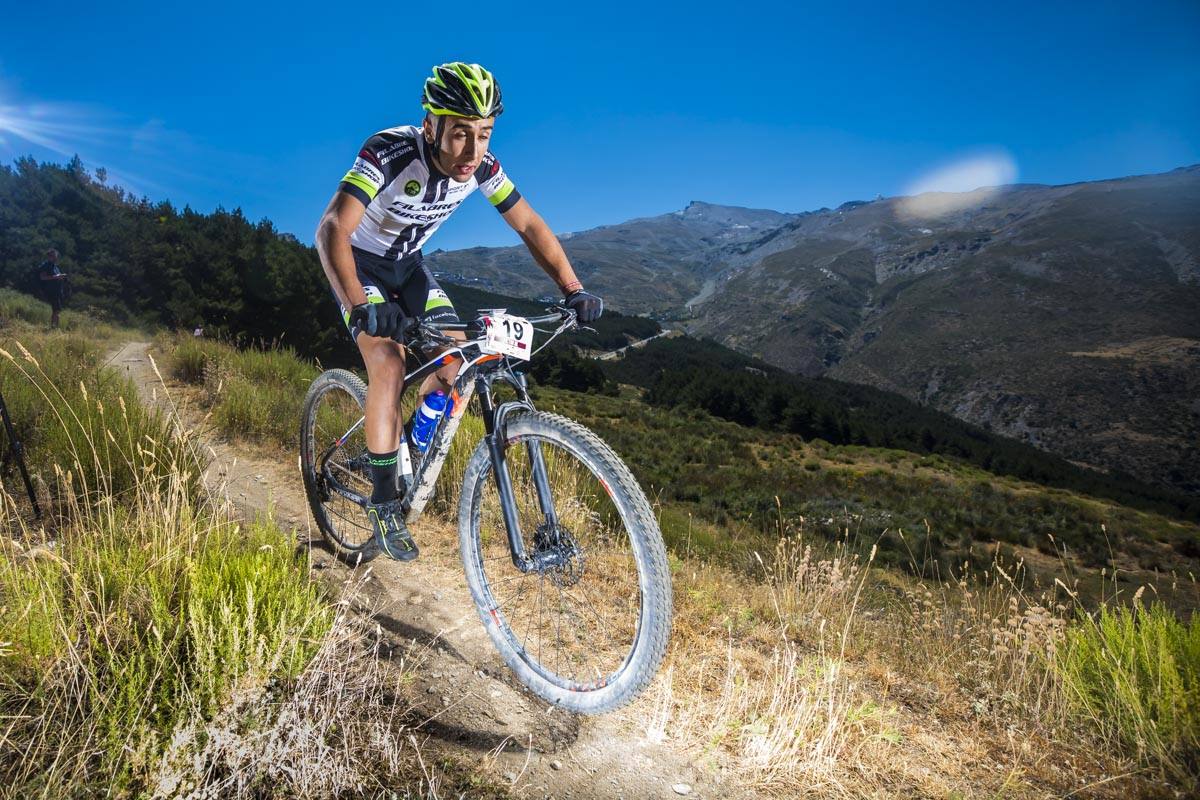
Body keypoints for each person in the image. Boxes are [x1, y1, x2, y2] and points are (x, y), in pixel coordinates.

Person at [315, 62, 603, 562]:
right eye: (460, 135)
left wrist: (572, 287)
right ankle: (384, 503)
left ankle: (403, 444)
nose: (472, 152)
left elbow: (530, 226)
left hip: (408, 267)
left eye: (485, 135)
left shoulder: (484, 167)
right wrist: (361, 306)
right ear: (431, 126)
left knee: (458, 362)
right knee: (389, 362)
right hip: (357, 265)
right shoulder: (389, 151)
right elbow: (331, 230)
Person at [38, 249, 68, 328]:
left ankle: (54, 327)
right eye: (53, 256)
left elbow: (56, 277)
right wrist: (57, 276)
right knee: (56, 310)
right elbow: (42, 277)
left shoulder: (55, 266)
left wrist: (61, 277)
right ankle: (54, 328)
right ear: (48, 257)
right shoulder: (45, 265)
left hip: (57, 291)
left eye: (56, 256)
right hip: (51, 291)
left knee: (57, 310)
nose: (55, 258)